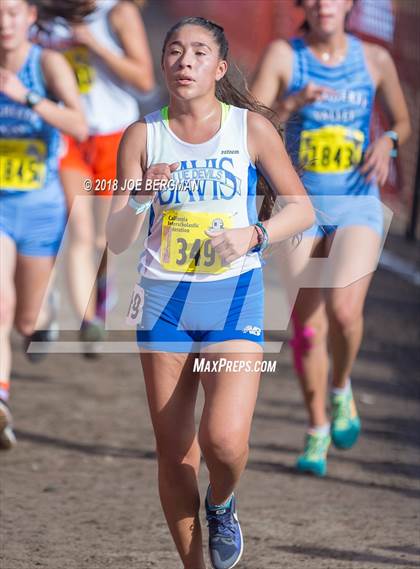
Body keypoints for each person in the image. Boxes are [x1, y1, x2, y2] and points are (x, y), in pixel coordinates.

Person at [107, 16, 314, 569]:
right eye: (175, 51)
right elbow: (117, 238)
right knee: (176, 455)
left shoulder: (249, 130)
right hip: (163, 303)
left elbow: (301, 208)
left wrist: (256, 233)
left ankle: (222, 503)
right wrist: (140, 196)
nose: (185, 61)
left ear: (219, 68)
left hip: (233, 296)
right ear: (164, 63)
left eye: (199, 53)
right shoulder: (141, 136)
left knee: (223, 442)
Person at [252, 0, 411, 476]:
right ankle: (317, 427)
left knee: (344, 310)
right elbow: (250, 126)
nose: (324, 5)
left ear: (349, 6)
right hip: (298, 206)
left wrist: (387, 142)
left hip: (357, 203)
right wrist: (290, 106)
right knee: (307, 327)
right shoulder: (284, 55)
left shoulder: (374, 59)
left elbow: (401, 122)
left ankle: (341, 388)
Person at [34, 0, 156, 348]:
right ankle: (86, 320)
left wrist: (93, 44)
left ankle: (104, 283)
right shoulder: (43, 15)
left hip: (113, 139)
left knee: (105, 239)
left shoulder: (117, 12)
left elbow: (144, 80)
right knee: (80, 231)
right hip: (69, 137)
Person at [0, 0, 89, 449]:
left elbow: (80, 123)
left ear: (30, 17)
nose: (3, 22)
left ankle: (46, 311)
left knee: (25, 322)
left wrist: (28, 97)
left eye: (12, 12)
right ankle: (1, 402)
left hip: (40, 206)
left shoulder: (47, 63)